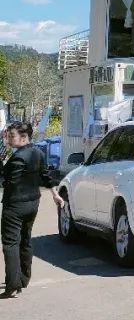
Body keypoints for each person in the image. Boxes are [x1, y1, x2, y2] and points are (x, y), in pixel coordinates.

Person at [1, 123, 63, 299]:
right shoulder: (38, 152)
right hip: (32, 204)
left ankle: (13, 284)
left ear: (23, 137)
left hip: (14, 206)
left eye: (11, 136)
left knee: (11, 243)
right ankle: (24, 278)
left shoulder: (18, 158)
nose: (8, 138)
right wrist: (55, 195)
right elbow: (46, 176)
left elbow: (7, 182)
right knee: (25, 239)